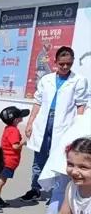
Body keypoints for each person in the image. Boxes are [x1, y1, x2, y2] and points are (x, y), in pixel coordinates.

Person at [21, 46, 89, 202]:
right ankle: (35, 188)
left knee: (59, 158)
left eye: (69, 64)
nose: (65, 67)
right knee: (39, 158)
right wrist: (31, 122)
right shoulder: (46, 79)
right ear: (55, 62)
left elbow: (81, 105)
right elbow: (38, 102)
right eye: (62, 64)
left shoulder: (78, 80)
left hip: (64, 124)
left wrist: (78, 126)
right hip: (44, 122)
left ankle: (56, 194)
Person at [37, 101, 89, 214]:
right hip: (77, 162)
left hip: (66, 160)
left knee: (60, 193)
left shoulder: (81, 118)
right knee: (77, 199)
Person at [0, 106, 29, 212]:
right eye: (20, 116)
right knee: (1, 181)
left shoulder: (8, 129)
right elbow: (15, 146)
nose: (22, 118)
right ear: (16, 120)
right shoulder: (13, 131)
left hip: (7, 160)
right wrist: (24, 141)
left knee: (3, 180)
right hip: (8, 161)